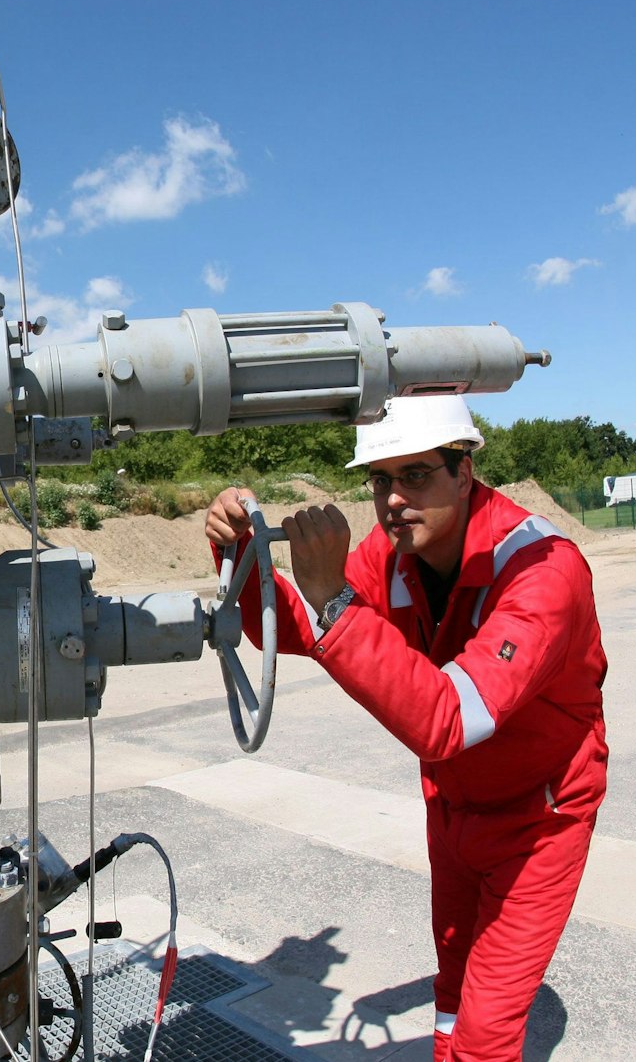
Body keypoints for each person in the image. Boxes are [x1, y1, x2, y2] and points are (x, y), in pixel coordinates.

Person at [203, 395, 608, 1062]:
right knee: (452, 991)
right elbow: (298, 632)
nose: (393, 498)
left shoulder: (542, 572)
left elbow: (445, 719)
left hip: (538, 822)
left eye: (415, 475)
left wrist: (332, 596)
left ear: (465, 470)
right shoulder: (395, 554)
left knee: (484, 1038)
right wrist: (241, 552)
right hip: (452, 807)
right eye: (381, 480)